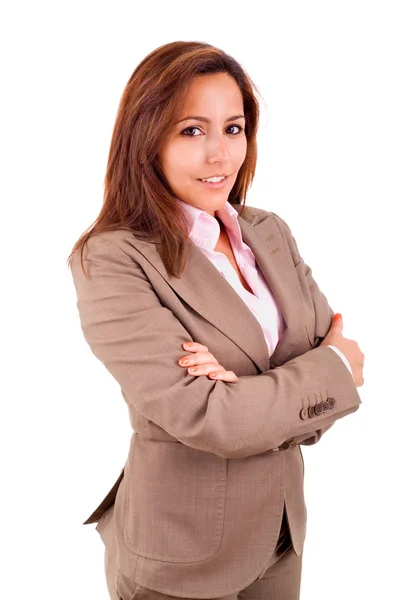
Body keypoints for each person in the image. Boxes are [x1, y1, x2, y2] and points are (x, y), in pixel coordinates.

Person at [68, 41, 364, 600]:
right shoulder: (111, 258)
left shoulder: (268, 230)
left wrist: (255, 392)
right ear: (146, 137)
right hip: (181, 551)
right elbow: (209, 417)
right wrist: (324, 371)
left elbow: (341, 367)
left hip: (280, 534)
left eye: (233, 129)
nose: (220, 156)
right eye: (191, 131)